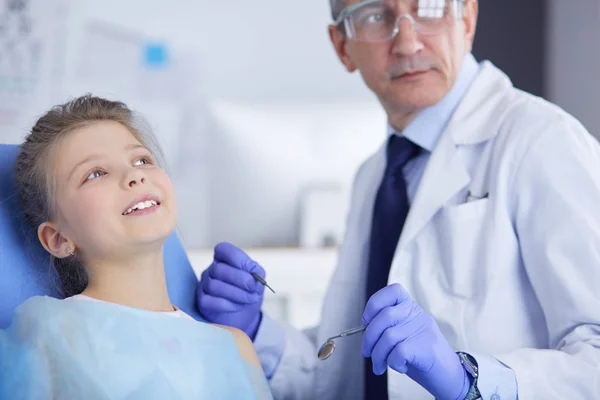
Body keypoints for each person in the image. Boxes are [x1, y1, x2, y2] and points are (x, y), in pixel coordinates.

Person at [196, 0, 600, 399]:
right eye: (375, 16)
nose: (407, 43)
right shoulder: (375, 175)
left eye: (429, 7)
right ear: (342, 46)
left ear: (468, 20)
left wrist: (469, 382)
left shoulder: (542, 141)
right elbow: (351, 372)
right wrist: (250, 329)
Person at [0, 94, 273, 399]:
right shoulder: (50, 338)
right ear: (59, 239)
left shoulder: (234, 348)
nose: (134, 175)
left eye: (141, 159)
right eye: (95, 174)